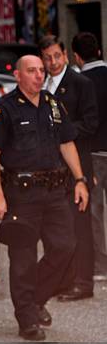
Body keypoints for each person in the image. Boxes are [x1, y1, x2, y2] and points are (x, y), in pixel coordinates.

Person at [0, 55, 88, 341]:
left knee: (65, 248)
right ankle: (27, 319)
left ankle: (35, 300)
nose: (39, 75)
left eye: (41, 70)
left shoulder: (53, 104)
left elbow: (67, 142)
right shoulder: (2, 108)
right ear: (17, 75)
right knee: (23, 260)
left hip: (55, 192)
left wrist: (80, 179)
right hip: (21, 195)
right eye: (32, 71)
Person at [39, 35, 98, 300]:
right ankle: (62, 280)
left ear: (66, 55)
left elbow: (91, 122)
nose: (52, 62)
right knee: (58, 227)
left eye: (56, 56)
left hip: (76, 165)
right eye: (47, 57)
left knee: (80, 226)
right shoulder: (41, 83)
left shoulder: (81, 84)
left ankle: (83, 283)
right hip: (50, 168)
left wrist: (61, 132)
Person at [72, 32, 107, 281]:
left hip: (93, 152)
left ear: (76, 56)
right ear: (99, 51)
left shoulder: (80, 82)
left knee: (94, 209)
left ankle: (101, 265)